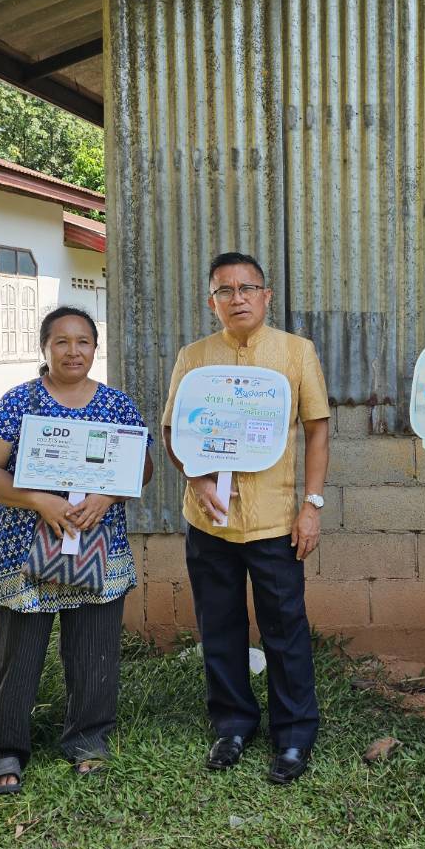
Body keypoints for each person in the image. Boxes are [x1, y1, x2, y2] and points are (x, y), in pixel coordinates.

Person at [161, 251, 330, 785]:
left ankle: (295, 734)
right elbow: (172, 432)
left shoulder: (296, 352)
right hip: (210, 519)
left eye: (247, 289)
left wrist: (311, 505)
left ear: (266, 296)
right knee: (220, 625)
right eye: (225, 291)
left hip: (276, 519)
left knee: (285, 627)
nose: (237, 299)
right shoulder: (194, 357)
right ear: (212, 302)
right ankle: (232, 724)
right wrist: (196, 478)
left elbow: (318, 430)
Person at [0, 307, 153, 793]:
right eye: (62, 342)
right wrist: (38, 500)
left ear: (96, 348)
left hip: (98, 541)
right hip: (27, 543)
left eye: (84, 342)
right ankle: (1, 749)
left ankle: (88, 739)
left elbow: (144, 468)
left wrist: (107, 495)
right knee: (18, 650)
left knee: (95, 649)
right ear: (45, 348)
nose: (74, 351)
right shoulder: (19, 402)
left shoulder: (117, 405)